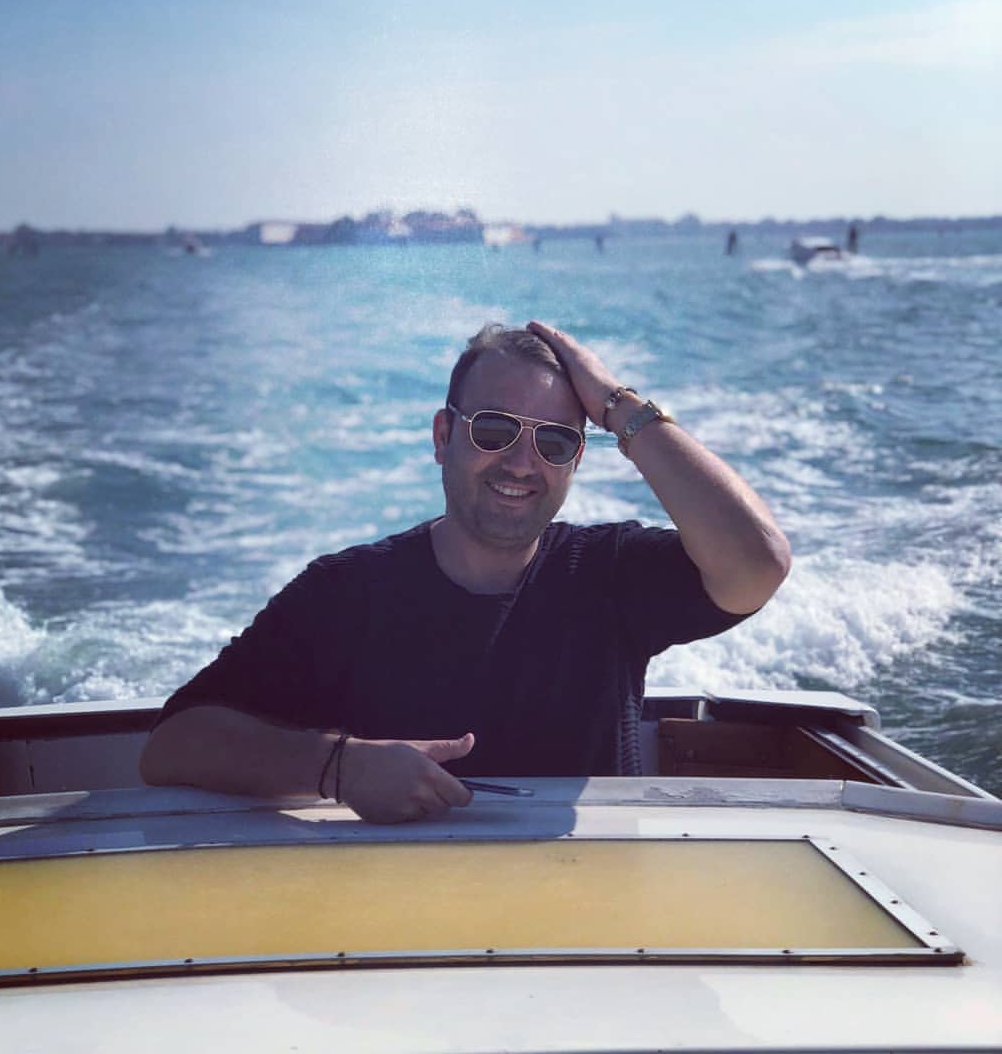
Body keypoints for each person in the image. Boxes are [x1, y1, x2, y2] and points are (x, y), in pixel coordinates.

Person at [140, 322, 791, 823]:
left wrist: (618, 405)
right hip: (405, 931)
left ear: (575, 461)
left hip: (589, 921)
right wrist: (338, 768)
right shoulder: (346, 594)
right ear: (442, 436)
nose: (522, 463)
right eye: (494, 430)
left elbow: (759, 563)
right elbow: (172, 745)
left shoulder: (612, 575)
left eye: (554, 441)